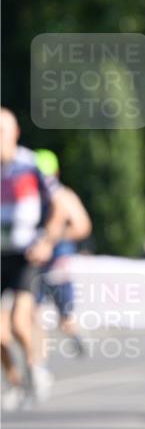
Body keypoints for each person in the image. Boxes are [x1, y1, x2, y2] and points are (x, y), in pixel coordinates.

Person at [1, 108, 65, 408]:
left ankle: (35, 367)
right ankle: (14, 381)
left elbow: (59, 207)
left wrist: (47, 240)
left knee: (17, 321)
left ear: (15, 133)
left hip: (26, 253)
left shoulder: (31, 165)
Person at [33, 149, 92, 357]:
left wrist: (50, 237)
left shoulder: (64, 195)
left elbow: (82, 227)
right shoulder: (25, 195)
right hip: (34, 265)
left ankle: (74, 337)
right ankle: (38, 364)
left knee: (65, 318)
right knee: (33, 314)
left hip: (58, 263)